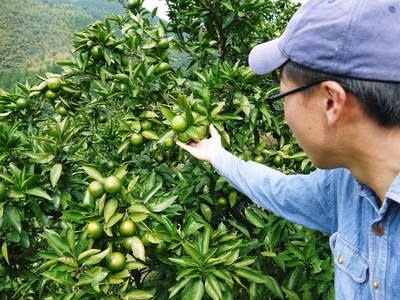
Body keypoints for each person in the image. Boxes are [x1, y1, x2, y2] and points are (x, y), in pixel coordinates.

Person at [176, 0, 400, 299]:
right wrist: (218, 156)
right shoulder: (348, 185)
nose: (285, 113)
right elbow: (279, 190)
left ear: (330, 102)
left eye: (283, 96)